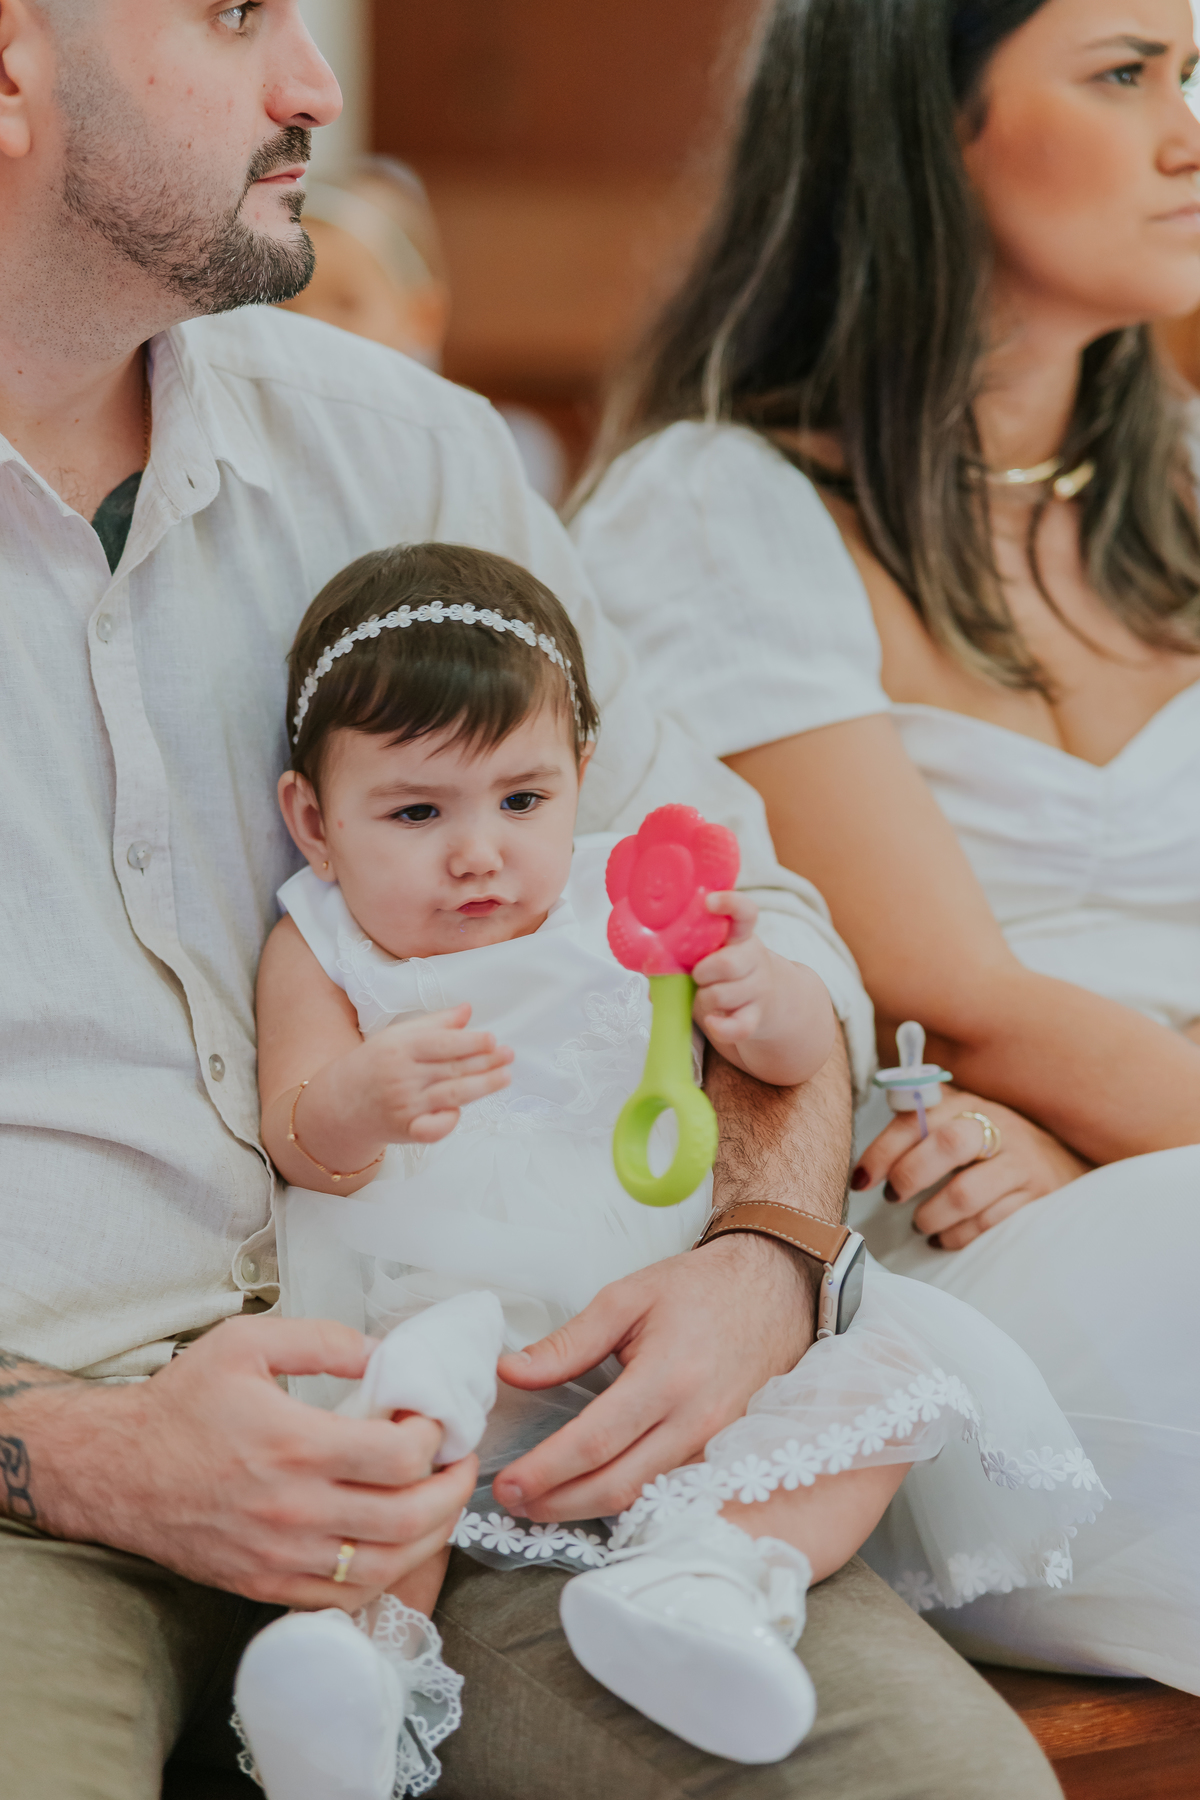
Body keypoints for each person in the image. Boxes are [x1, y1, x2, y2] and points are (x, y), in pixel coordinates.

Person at [0, 2, 1064, 1796]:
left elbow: (738, 897)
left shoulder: (402, 454)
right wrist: (72, 1454)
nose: (314, 83)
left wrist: (768, 1250)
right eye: (237, 10)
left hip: (530, 1445)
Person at [229, 541, 1097, 1799]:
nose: (479, 853)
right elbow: (297, 1134)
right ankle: (360, 1681)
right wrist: (359, 1103)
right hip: (449, 1302)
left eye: (521, 802)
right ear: (314, 817)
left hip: (670, 1299)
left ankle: (711, 1581)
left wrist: (766, 1004)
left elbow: (801, 1047)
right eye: (418, 813)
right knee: (401, 1444)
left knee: (887, 1400)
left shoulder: (624, 907)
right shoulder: (322, 941)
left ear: (582, 779)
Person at [572, 0, 1200, 1694]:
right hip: (932, 1272)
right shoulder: (725, 511)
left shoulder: (1187, 492)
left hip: (1110, 1176)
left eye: (1199, 72)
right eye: (1128, 73)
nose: (1191, 128)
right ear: (926, 122)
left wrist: (1108, 1153)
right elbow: (953, 995)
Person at [280, 155, 569, 503]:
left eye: (346, 304)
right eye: (285, 305)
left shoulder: (479, 460)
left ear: (423, 317)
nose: (312, 327)